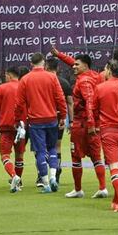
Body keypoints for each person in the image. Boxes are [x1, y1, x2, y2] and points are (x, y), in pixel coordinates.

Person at [53, 51, 107, 199]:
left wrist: (90, 123)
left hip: (83, 125)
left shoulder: (84, 82)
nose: (73, 66)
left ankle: (78, 190)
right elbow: (73, 62)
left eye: (77, 64)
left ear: (85, 65)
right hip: (95, 124)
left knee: (75, 157)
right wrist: (59, 55)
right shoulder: (95, 76)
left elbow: (89, 101)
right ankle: (102, 187)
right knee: (96, 157)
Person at [15, 52, 68, 193]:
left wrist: (17, 120)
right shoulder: (52, 77)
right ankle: (52, 177)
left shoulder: (25, 80)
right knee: (52, 149)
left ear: (31, 64)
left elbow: (19, 104)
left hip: (35, 121)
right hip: (51, 119)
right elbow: (60, 98)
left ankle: (45, 184)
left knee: (40, 151)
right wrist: (63, 116)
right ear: (43, 63)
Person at [93, 60, 118, 211]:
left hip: (108, 131)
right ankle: (117, 200)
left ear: (109, 70)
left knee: (114, 167)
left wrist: (95, 125)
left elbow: (94, 109)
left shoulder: (100, 88)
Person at [0, 65, 27, 193]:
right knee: (19, 155)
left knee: (5, 155)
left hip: (6, 127)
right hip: (21, 126)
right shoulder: (24, 87)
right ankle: (18, 182)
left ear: (9, 75)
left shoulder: (2, 88)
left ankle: (14, 176)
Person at [45, 56, 74, 187]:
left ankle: (45, 174)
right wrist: (71, 120)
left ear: (46, 67)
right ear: (58, 68)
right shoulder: (65, 83)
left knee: (44, 147)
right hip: (59, 117)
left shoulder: (42, 81)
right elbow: (70, 103)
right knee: (57, 146)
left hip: (44, 117)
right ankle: (56, 171)